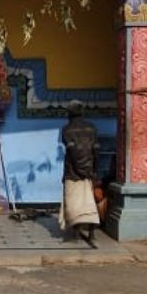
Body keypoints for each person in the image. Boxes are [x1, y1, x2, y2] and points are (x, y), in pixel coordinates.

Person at [59, 102, 100, 246]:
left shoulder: (66, 130)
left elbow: (72, 152)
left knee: (74, 204)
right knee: (89, 203)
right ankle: (92, 233)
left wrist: (77, 169)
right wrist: (93, 171)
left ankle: (76, 234)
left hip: (72, 172)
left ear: (69, 114)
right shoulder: (92, 128)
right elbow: (96, 151)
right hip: (89, 171)